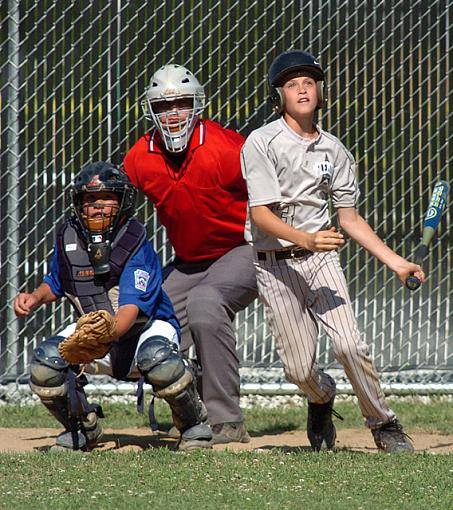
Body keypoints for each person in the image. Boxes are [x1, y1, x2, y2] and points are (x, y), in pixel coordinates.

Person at [240, 50, 425, 453]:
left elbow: (350, 219)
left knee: (349, 345)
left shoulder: (335, 151)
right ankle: (321, 396)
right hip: (274, 266)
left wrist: (396, 262)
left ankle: (383, 423)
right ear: (279, 97)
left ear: (319, 93)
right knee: (298, 369)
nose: (302, 88)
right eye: (292, 84)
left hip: (321, 259)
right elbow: (260, 216)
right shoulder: (262, 141)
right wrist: (304, 238)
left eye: (309, 82)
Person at [14, 161, 212, 451]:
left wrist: (96, 339)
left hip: (144, 329)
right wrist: (34, 297)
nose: (98, 206)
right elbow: (56, 282)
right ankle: (82, 427)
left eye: (108, 198)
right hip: (95, 330)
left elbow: (130, 312)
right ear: (78, 205)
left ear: (122, 202)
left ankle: (194, 424)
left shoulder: (134, 242)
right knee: (45, 363)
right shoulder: (68, 237)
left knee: (159, 360)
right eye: (90, 199)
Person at [123, 64, 257, 444]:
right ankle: (189, 401)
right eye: (165, 107)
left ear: (196, 105)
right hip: (189, 261)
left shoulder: (228, 147)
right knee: (147, 319)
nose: (174, 114)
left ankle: (226, 420)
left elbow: (273, 200)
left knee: (205, 302)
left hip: (242, 249)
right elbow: (123, 222)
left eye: (182, 103)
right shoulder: (139, 157)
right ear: (151, 112)